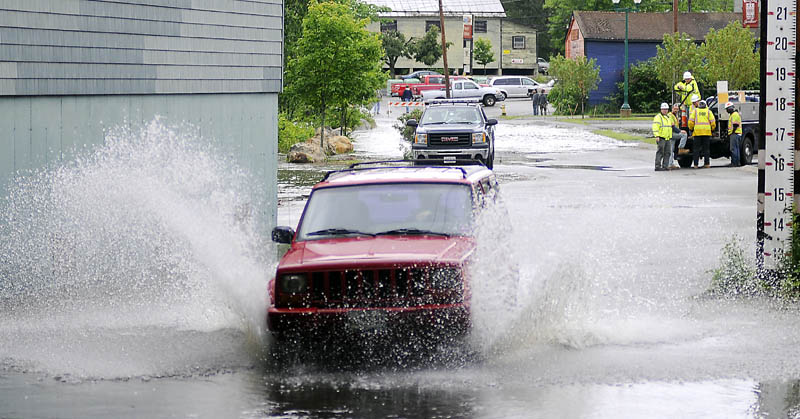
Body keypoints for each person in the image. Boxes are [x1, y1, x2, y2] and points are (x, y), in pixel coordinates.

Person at [688, 99, 716, 168]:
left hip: (697, 133)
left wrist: (691, 129)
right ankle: (707, 164)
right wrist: (712, 130)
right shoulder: (709, 112)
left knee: (696, 149)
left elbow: (690, 122)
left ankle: (695, 165)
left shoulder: (695, 111)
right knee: (706, 149)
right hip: (706, 133)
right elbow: (713, 122)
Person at [652, 102, 674, 171]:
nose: (665, 110)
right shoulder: (658, 117)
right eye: (664, 109)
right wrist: (657, 136)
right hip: (661, 137)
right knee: (660, 152)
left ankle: (665, 166)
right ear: (661, 109)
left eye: (666, 109)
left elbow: (671, 126)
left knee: (668, 152)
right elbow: (655, 127)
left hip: (667, 137)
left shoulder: (668, 117)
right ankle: (657, 166)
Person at [667, 103, 688, 169]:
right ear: (672, 109)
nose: (676, 110)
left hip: (671, 133)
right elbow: (672, 126)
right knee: (684, 135)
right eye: (675, 109)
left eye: (677, 109)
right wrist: (680, 131)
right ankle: (681, 148)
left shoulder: (674, 115)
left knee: (671, 149)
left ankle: (670, 164)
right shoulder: (670, 115)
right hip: (672, 133)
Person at [726, 101, 743, 166]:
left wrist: (732, 133)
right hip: (736, 133)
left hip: (735, 134)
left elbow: (735, 125)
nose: (727, 111)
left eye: (727, 109)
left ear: (730, 108)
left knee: (733, 149)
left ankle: (734, 163)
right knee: (736, 149)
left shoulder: (735, 115)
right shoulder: (733, 115)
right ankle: (737, 162)